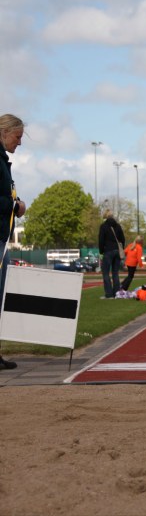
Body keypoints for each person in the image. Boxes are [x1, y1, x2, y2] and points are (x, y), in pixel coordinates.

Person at [0, 114, 27, 371]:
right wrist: (15, 205)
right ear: (4, 132)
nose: (19, 142)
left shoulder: (3, 161)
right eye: (17, 137)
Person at [98, 210, 125, 299]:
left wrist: (101, 251)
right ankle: (116, 293)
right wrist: (121, 248)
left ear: (105, 217)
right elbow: (122, 239)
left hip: (108, 251)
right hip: (117, 251)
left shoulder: (103, 226)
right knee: (115, 273)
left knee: (105, 272)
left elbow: (101, 240)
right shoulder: (118, 226)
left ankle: (109, 294)